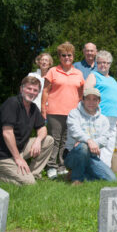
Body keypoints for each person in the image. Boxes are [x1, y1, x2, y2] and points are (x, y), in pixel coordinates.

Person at [0, 76, 54, 185]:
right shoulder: (12, 104)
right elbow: (7, 133)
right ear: (21, 89)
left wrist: (38, 140)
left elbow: (42, 128)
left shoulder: (33, 108)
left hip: (20, 148)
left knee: (48, 140)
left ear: (38, 93)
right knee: (28, 184)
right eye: (29, 89)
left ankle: (33, 174)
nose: (32, 92)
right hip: (1, 154)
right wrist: (18, 158)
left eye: (35, 90)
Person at [41, 42, 85, 179]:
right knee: (54, 139)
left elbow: (81, 94)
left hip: (72, 113)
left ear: (73, 56)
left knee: (66, 141)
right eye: (63, 55)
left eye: (69, 55)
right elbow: (45, 91)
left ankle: (62, 166)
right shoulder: (53, 71)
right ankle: (51, 166)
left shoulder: (78, 73)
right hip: (54, 111)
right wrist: (43, 109)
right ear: (59, 57)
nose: (67, 57)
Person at [64, 88, 117, 185]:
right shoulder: (74, 114)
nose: (91, 102)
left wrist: (91, 143)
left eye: (94, 99)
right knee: (83, 147)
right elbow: (75, 131)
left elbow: (105, 139)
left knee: (111, 179)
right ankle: (77, 180)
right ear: (83, 100)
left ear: (99, 101)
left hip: (92, 156)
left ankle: (77, 173)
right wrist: (88, 141)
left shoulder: (104, 120)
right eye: (88, 99)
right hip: (73, 155)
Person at [85, 50, 117, 167]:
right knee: (97, 143)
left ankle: (104, 169)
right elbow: (86, 94)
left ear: (110, 64)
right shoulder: (93, 75)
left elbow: (116, 98)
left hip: (112, 117)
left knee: (109, 144)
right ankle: (93, 168)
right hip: (99, 115)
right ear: (96, 63)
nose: (103, 65)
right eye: (100, 62)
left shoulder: (113, 80)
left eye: (106, 63)